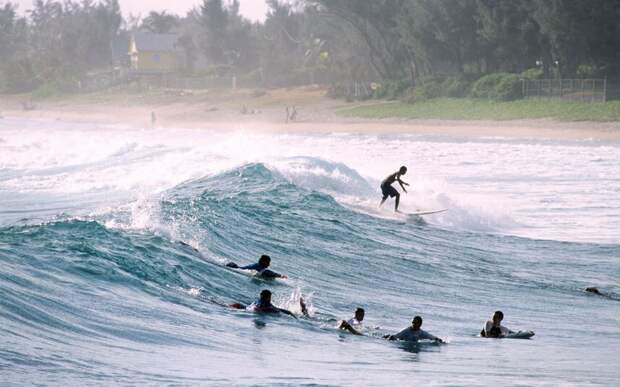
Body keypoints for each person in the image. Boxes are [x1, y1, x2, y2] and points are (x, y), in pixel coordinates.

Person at [229, 289, 296, 317]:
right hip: (255, 310)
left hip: (247, 308)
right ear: (268, 297)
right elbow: (258, 308)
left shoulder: (258, 300)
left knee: (237, 305)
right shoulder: (267, 304)